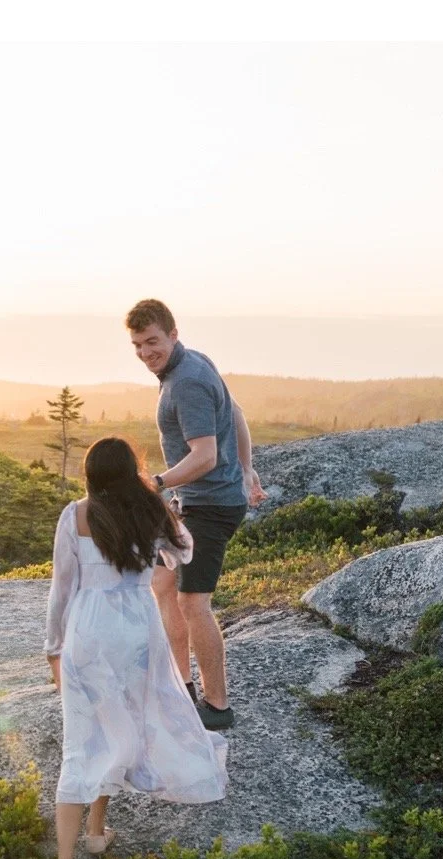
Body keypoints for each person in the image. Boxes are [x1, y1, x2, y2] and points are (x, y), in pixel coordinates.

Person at [44, 437, 228, 859]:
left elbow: (62, 588)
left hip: (87, 631)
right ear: (132, 471)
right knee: (122, 726)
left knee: (81, 744)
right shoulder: (148, 510)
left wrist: (53, 648)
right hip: (135, 631)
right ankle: (98, 833)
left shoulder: (76, 515)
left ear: (90, 473)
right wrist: (168, 511)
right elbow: (182, 556)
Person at [125, 297, 268, 732]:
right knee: (163, 582)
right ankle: (181, 686)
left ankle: (217, 706)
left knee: (192, 601)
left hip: (210, 506)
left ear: (173, 333)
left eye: (153, 342)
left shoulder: (185, 382)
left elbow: (204, 456)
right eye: (137, 346)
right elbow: (237, 412)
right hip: (196, 500)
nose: (146, 353)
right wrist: (246, 467)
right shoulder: (191, 364)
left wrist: (159, 483)